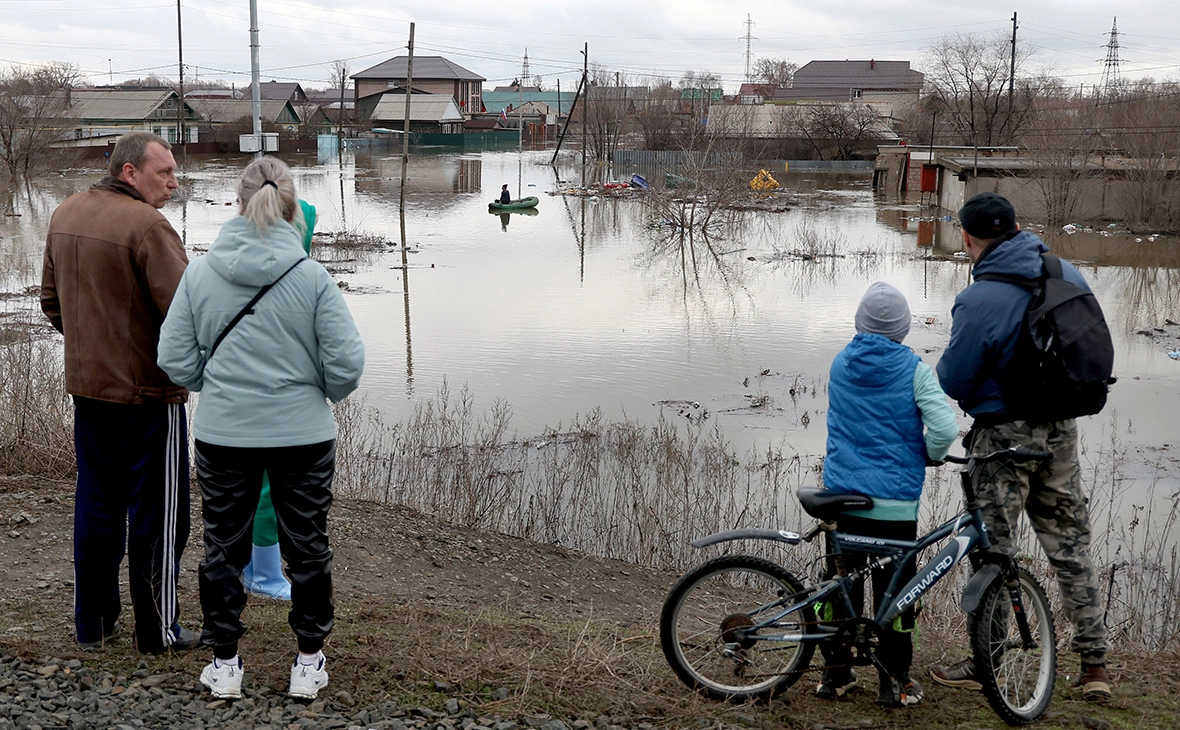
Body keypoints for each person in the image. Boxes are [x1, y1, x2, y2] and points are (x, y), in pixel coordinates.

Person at [158, 156, 365, 701]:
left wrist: (217, 383)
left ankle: (225, 663)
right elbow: (347, 365)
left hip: (225, 433)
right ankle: (308, 661)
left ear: (238, 201)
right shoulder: (312, 276)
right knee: (309, 547)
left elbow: (173, 357)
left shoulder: (199, 273)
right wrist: (315, 393)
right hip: (304, 435)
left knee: (222, 546)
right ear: (293, 206)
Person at [933, 192, 1113, 701]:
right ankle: (1094, 666)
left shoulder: (980, 297)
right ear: (1016, 227)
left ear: (967, 237)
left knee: (993, 550)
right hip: (1061, 430)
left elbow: (953, 376)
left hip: (1002, 439)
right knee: (1071, 545)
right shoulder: (1066, 273)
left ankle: (987, 659)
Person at [40, 131, 197, 655]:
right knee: (161, 517)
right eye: (164, 173)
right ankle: (158, 632)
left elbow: (51, 304)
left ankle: (95, 624)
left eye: (175, 173)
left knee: (98, 508)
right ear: (129, 172)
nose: (174, 183)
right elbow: (187, 315)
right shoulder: (149, 226)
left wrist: (96, 347)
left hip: (90, 393)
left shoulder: (65, 213)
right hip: (151, 397)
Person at [818, 281, 958, 707]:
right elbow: (946, 429)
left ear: (860, 323)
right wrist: (930, 456)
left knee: (842, 587)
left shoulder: (841, 363)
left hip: (842, 499)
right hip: (894, 506)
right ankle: (893, 680)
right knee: (896, 595)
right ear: (902, 328)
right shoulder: (914, 370)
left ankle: (835, 676)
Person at [241, 199, 318, 603]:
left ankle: (252, 569)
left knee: (248, 488)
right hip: (277, 402)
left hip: (237, 402)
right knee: (271, 488)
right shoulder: (298, 280)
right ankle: (266, 576)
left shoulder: (234, 268)